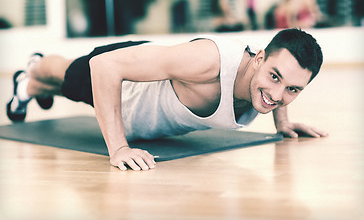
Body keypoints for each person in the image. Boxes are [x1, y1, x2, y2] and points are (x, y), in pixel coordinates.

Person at [6, 28, 328, 171]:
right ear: (259, 59)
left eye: (293, 90)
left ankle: (30, 87)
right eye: (274, 77)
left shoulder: (271, 82)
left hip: (144, 113)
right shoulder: (209, 61)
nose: (277, 95)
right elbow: (103, 67)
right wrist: (118, 149)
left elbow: (282, 83)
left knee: (57, 86)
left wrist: (282, 123)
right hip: (125, 88)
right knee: (64, 75)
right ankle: (34, 68)